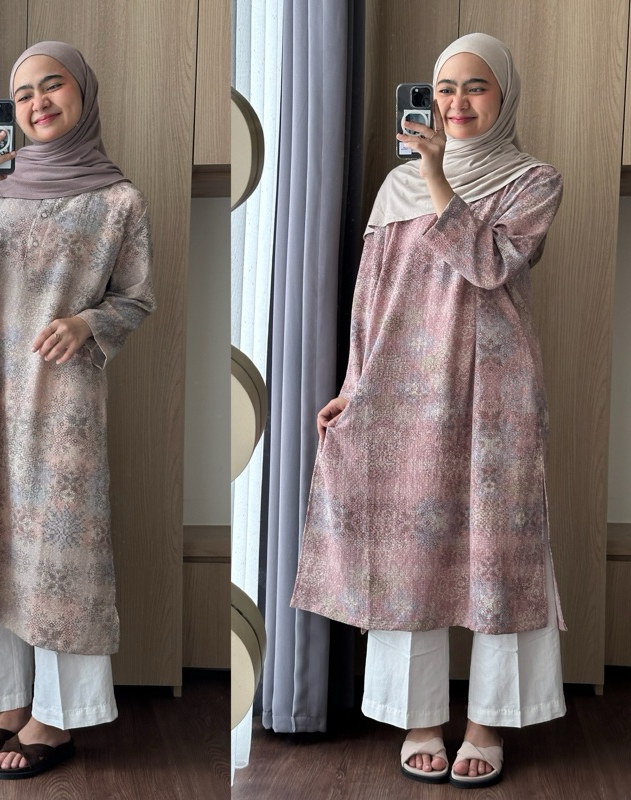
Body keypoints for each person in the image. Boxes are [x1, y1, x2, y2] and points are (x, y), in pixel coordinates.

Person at [291, 33, 565, 789]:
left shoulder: (532, 180)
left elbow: (491, 264)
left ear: (503, 96)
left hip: (495, 395)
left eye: (476, 87)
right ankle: (418, 717)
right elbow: (371, 298)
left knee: (498, 554)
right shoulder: (396, 186)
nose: (456, 102)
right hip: (402, 393)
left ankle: (488, 722)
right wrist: (354, 383)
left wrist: (438, 177)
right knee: (409, 552)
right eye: (445, 88)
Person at [0, 41, 155, 780]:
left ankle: (56, 714)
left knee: (59, 551)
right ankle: (3, 702)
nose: (37, 103)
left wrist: (87, 323)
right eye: (22, 95)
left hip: (61, 397)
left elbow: (136, 298)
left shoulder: (118, 200)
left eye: (52, 86)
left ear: (83, 93)